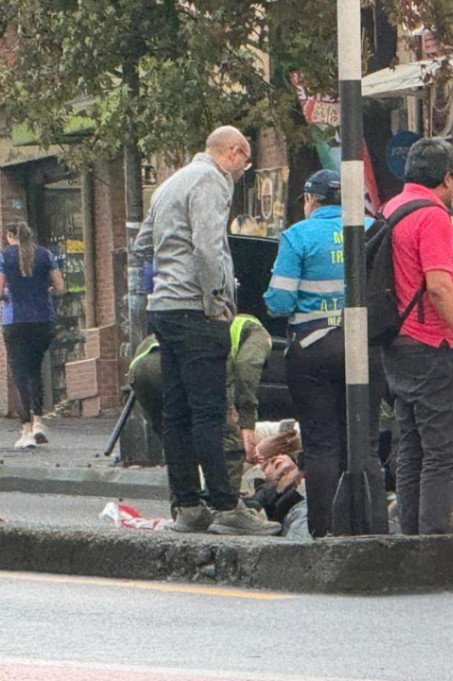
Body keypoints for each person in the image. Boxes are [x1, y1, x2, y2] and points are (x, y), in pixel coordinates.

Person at [132, 125, 280, 536]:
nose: (241, 172)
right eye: (245, 164)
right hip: (197, 311)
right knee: (211, 413)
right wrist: (218, 303)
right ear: (234, 152)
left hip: (164, 308)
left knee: (175, 412)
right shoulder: (212, 181)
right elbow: (208, 246)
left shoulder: (169, 184)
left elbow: (142, 244)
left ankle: (187, 506)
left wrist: (168, 265)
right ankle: (226, 506)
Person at [263, 169, 389, 538]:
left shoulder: (298, 235)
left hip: (313, 350)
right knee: (363, 441)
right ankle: (369, 525)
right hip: (366, 347)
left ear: (309, 201)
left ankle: (325, 530)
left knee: (321, 444)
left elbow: (280, 301)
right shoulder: (375, 229)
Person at [381, 138, 453, 535]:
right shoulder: (432, 216)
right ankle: (435, 539)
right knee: (441, 451)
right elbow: (439, 287)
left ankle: (411, 533)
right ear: (445, 178)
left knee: (410, 447)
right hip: (432, 343)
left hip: (399, 344)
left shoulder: (391, 209)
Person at [128, 314, 272, 497]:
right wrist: (247, 422)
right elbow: (247, 365)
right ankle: (227, 507)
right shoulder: (259, 333)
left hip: (141, 367)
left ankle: (185, 507)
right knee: (228, 437)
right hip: (178, 362)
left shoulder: (210, 321)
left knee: (176, 441)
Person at [0, 222, 65, 449]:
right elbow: (59, 286)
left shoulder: (4, 257)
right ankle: (39, 421)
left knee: (19, 374)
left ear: (9, 236)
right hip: (42, 320)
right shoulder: (45, 254)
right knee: (35, 369)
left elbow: (0, 289)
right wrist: (44, 291)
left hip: (15, 321)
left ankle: (26, 430)